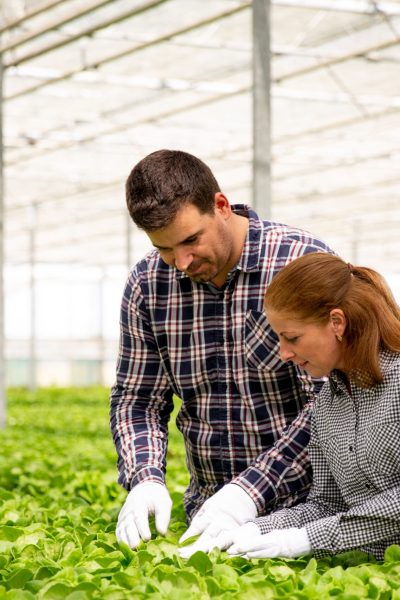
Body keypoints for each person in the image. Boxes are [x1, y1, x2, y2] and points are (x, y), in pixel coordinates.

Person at [109, 149, 333, 555]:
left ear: (222, 206)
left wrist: (247, 493)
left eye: (191, 240)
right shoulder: (147, 284)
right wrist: (145, 478)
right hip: (206, 519)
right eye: (164, 249)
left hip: (307, 515)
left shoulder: (298, 261)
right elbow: (137, 399)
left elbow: (333, 402)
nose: (182, 262)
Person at [220, 252, 400, 560]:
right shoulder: (326, 406)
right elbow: (326, 504)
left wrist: (306, 539)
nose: (284, 353)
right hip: (371, 573)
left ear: (336, 322)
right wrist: (254, 530)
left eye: (292, 338)